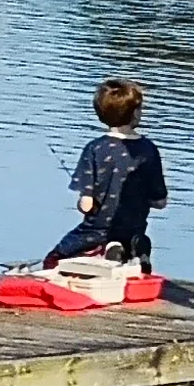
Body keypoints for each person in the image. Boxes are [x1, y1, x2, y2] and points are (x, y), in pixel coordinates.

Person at [47, 79, 169, 267]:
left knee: (54, 260)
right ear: (136, 113)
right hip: (134, 227)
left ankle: (109, 249)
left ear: (101, 115)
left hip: (96, 231)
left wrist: (84, 204)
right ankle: (135, 248)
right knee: (130, 240)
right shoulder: (149, 149)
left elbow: (86, 205)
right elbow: (160, 201)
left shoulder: (95, 149)